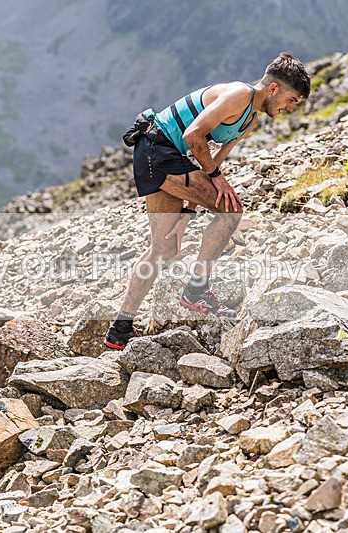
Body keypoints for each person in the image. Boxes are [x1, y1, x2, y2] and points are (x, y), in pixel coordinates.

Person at [105, 52, 311, 350]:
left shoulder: (250, 119)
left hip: (159, 155)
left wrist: (187, 215)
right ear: (274, 89)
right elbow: (193, 137)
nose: (290, 108)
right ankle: (196, 292)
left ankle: (120, 330)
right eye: (291, 100)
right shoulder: (239, 94)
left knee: (165, 247)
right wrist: (218, 177)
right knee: (231, 211)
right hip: (157, 150)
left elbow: (206, 166)